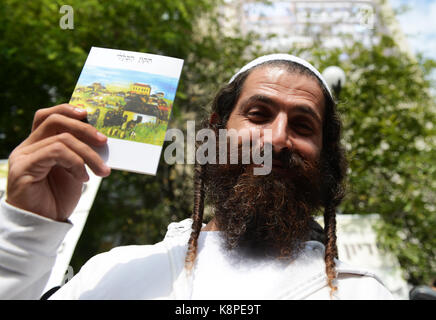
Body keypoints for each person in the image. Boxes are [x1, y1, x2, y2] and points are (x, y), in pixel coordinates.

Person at [0, 54, 394, 299]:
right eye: (258, 115)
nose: (277, 139)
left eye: (304, 126)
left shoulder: (365, 293)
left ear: (325, 156)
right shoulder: (115, 273)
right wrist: (26, 231)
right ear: (216, 133)